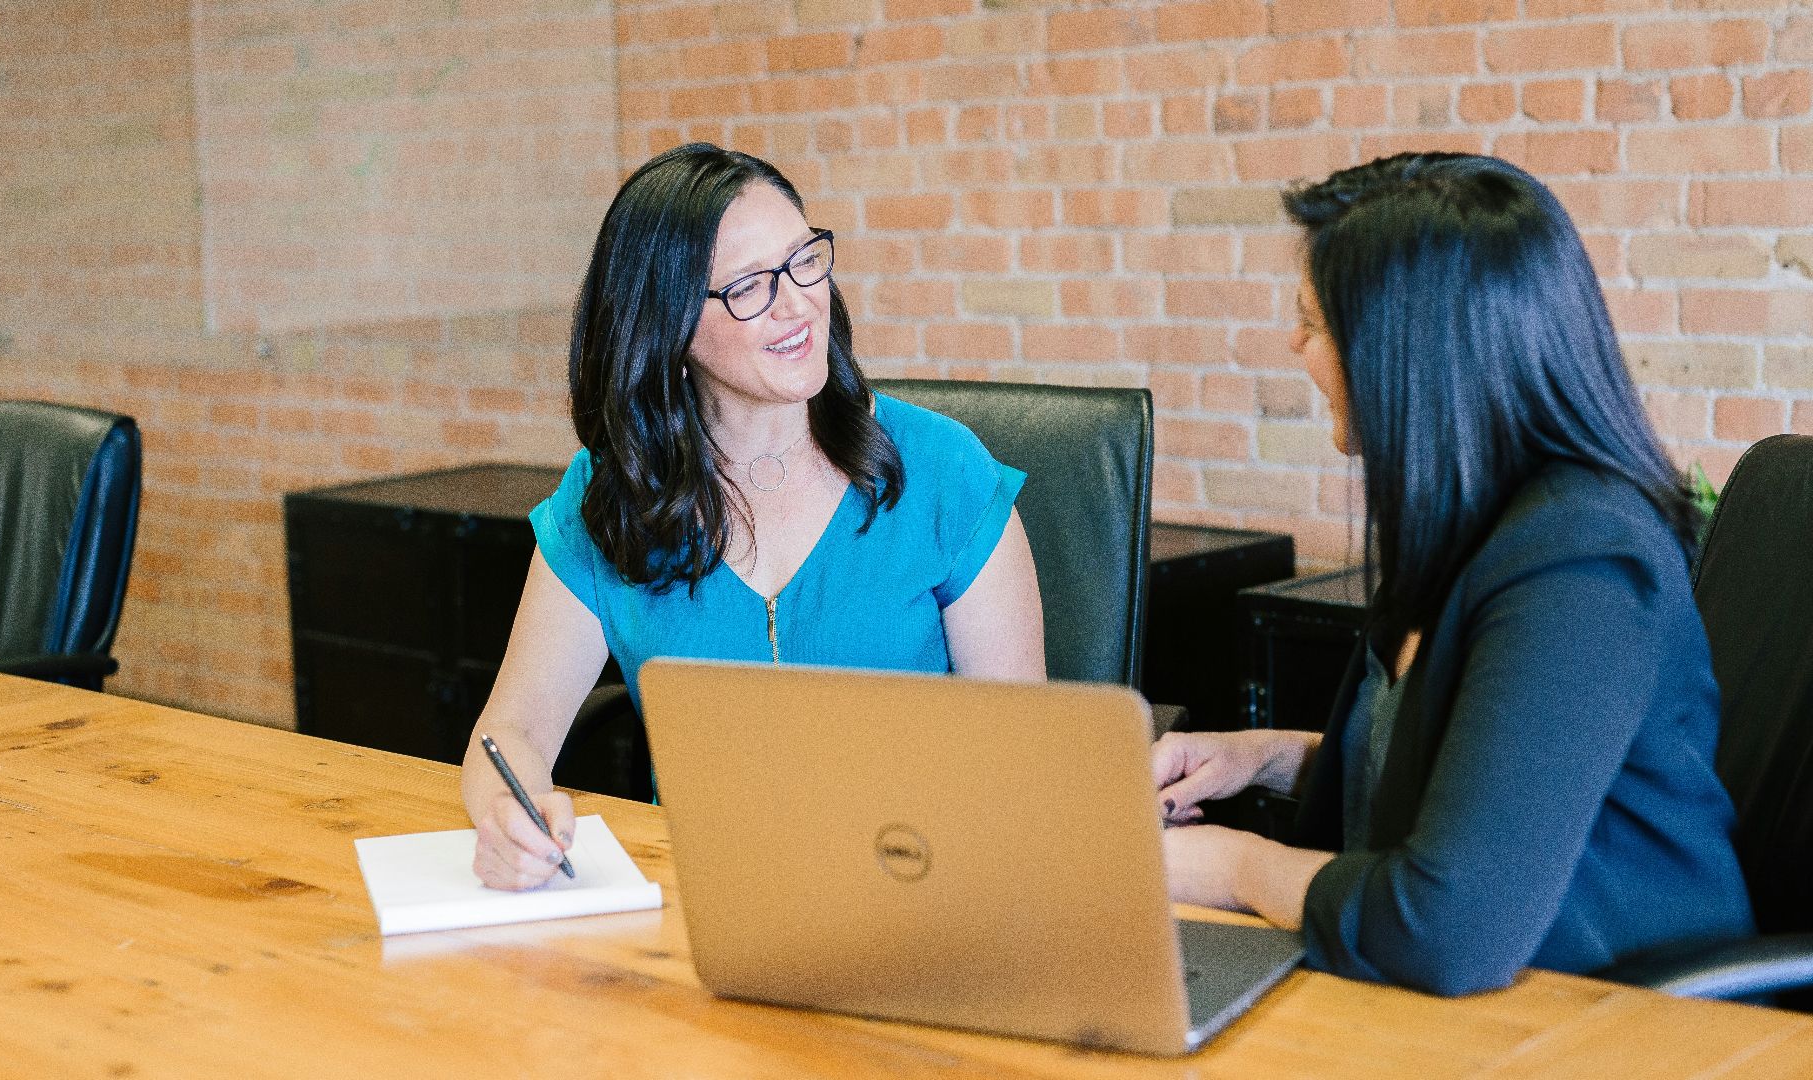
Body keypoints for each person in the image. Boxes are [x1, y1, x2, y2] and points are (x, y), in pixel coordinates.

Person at [1152, 153, 1754, 995]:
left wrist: (1230, 867)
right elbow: (1464, 771)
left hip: (1617, 1014)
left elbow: (1446, 928)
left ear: (1408, 357)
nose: (1293, 345)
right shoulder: (1470, 522)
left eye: (1314, 324)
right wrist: (1266, 757)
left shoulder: (1581, 563)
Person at [462, 144, 1045, 890]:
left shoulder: (943, 472)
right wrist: (506, 821)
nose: (798, 302)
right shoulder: (610, 499)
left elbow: (1024, 755)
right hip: (705, 902)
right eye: (748, 287)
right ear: (667, 327)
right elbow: (509, 732)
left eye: (805, 261)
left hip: (921, 889)